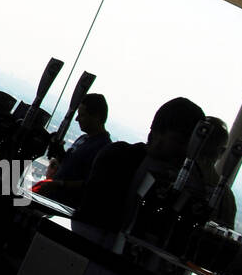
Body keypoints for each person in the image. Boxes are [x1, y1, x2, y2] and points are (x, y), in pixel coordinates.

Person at [72, 96, 204, 245]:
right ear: (156, 133)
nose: (185, 151)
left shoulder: (117, 156)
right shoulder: (117, 158)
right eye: (180, 142)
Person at [33, 93, 111, 206]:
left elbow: (89, 183)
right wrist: (60, 155)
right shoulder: (84, 138)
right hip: (53, 200)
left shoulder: (103, 148)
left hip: (63, 205)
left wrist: (58, 184)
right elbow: (74, 167)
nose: (77, 119)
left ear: (96, 117)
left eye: (82, 115)